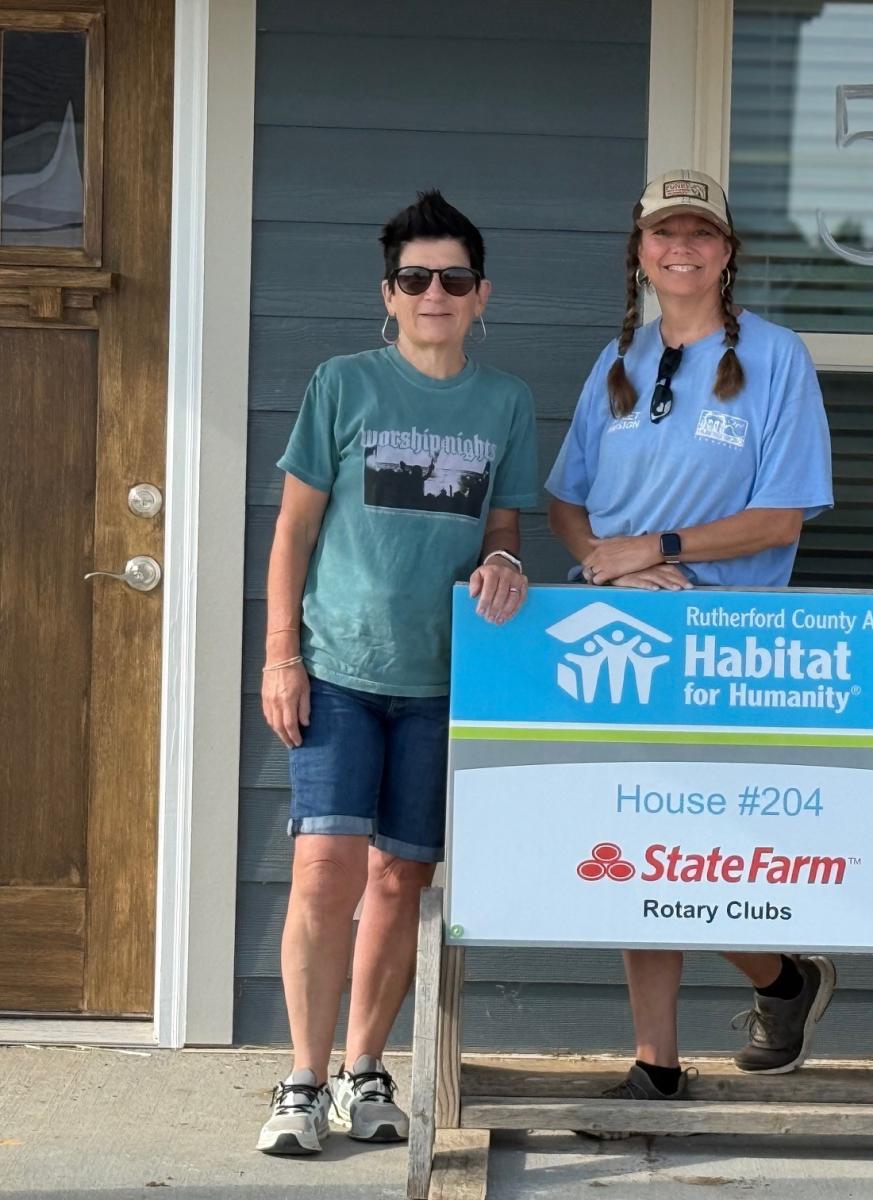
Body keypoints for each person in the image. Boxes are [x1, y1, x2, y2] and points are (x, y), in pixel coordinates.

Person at [544, 169, 836, 1119]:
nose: (681, 248)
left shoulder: (778, 358)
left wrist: (660, 547)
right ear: (639, 251)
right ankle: (658, 1060)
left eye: (699, 233)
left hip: (729, 641)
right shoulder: (617, 360)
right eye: (663, 232)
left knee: (702, 849)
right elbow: (566, 497)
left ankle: (781, 977)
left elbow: (781, 517)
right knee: (637, 840)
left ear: (725, 251)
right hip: (625, 632)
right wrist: (606, 565)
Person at [256, 191, 538, 1155]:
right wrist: (279, 655)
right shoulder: (342, 384)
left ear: (480, 294)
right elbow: (293, 528)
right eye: (415, 279)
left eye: (452, 279)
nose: (434, 294)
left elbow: (502, 531)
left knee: (399, 881)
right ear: (389, 294)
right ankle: (301, 1077)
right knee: (323, 870)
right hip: (336, 668)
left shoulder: (503, 402)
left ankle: (365, 1070)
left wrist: (505, 562)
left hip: (440, 681)